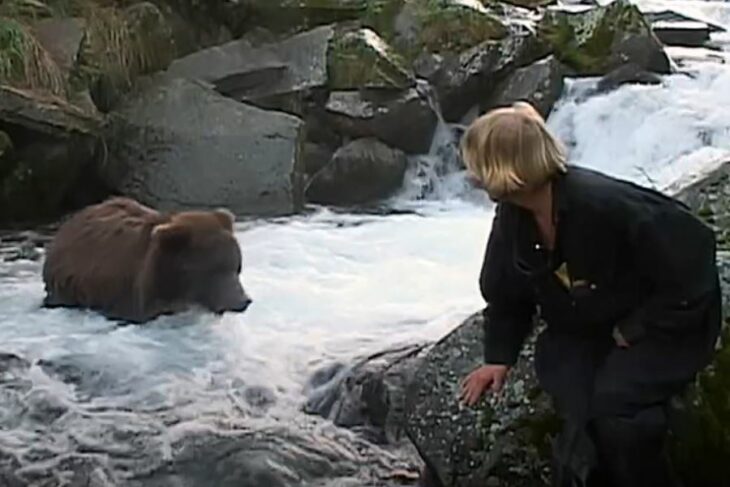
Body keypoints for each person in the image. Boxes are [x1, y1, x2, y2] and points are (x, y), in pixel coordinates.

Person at [457, 101, 722, 487]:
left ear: (506, 170)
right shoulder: (514, 216)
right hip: (590, 322)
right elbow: (506, 294)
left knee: (620, 414)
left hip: (665, 322)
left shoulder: (604, 204)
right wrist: (499, 357)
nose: (472, 178)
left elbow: (694, 254)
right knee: (578, 404)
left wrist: (635, 328)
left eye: (478, 167)